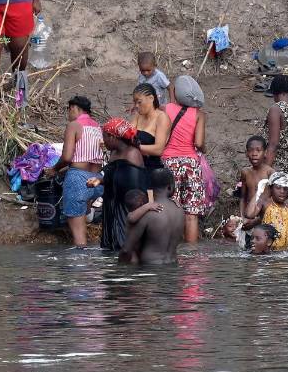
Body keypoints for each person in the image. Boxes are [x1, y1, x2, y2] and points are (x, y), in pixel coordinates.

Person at [43, 96, 106, 247]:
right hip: (97, 180)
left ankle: (80, 264)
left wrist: (54, 169)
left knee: (79, 238)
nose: (69, 114)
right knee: (83, 216)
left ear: (74, 108)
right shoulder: (98, 127)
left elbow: (67, 157)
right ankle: (88, 212)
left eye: (69, 110)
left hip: (78, 180)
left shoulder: (74, 125)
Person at [163, 76, 208, 243]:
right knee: (191, 214)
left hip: (168, 163)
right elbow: (199, 143)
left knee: (170, 208)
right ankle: (192, 254)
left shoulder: (165, 109)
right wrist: (205, 149)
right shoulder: (199, 114)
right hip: (190, 164)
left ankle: (169, 249)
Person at [99, 118, 148, 251]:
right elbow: (113, 176)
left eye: (104, 137)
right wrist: (100, 180)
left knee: (124, 246)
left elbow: (133, 190)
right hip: (112, 205)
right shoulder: (114, 153)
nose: (103, 141)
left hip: (126, 208)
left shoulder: (132, 154)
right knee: (110, 246)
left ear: (113, 137)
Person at [119, 169, 184, 265]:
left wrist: (118, 271)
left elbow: (126, 250)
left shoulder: (146, 212)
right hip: (173, 266)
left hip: (151, 268)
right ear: (170, 187)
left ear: (149, 188)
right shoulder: (180, 210)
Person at [244, 171, 288, 251]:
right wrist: (258, 193)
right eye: (278, 188)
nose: (282, 191)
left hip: (284, 251)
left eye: (285, 188)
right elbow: (249, 214)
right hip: (266, 250)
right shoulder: (264, 203)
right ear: (271, 188)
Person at [132, 82, 170, 170]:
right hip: (134, 164)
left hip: (151, 168)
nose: (136, 106)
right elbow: (128, 134)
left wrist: (136, 147)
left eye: (139, 102)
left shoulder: (162, 117)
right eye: (135, 102)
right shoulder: (138, 116)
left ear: (151, 98)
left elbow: (159, 149)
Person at [238, 136, 273, 214]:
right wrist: (242, 217)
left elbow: (273, 201)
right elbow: (243, 197)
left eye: (258, 150)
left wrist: (256, 221)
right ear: (246, 153)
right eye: (251, 150)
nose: (254, 154)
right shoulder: (245, 172)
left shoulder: (270, 173)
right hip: (249, 212)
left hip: (266, 216)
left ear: (265, 153)